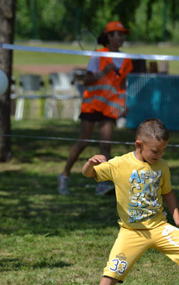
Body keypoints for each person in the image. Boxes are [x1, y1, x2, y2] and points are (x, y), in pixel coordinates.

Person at [82, 119, 179, 285]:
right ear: (139, 145)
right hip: (131, 233)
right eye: (155, 151)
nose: (159, 155)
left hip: (159, 227)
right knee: (111, 273)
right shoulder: (119, 164)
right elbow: (89, 174)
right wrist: (90, 163)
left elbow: (168, 193)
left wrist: (177, 217)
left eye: (163, 150)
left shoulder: (162, 167)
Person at [57, 21, 133, 196]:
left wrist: (124, 104)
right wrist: (104, 72)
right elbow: (87, 81)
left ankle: (103, 183)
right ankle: (64, 175)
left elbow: (122, 85)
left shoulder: (126, 60)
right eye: (118, 34)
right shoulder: (98, 55)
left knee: (106, 144)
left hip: (110, 106)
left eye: (123, 35)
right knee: (84, 142)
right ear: (109, 37)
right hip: (92, 104)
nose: (122, 38)